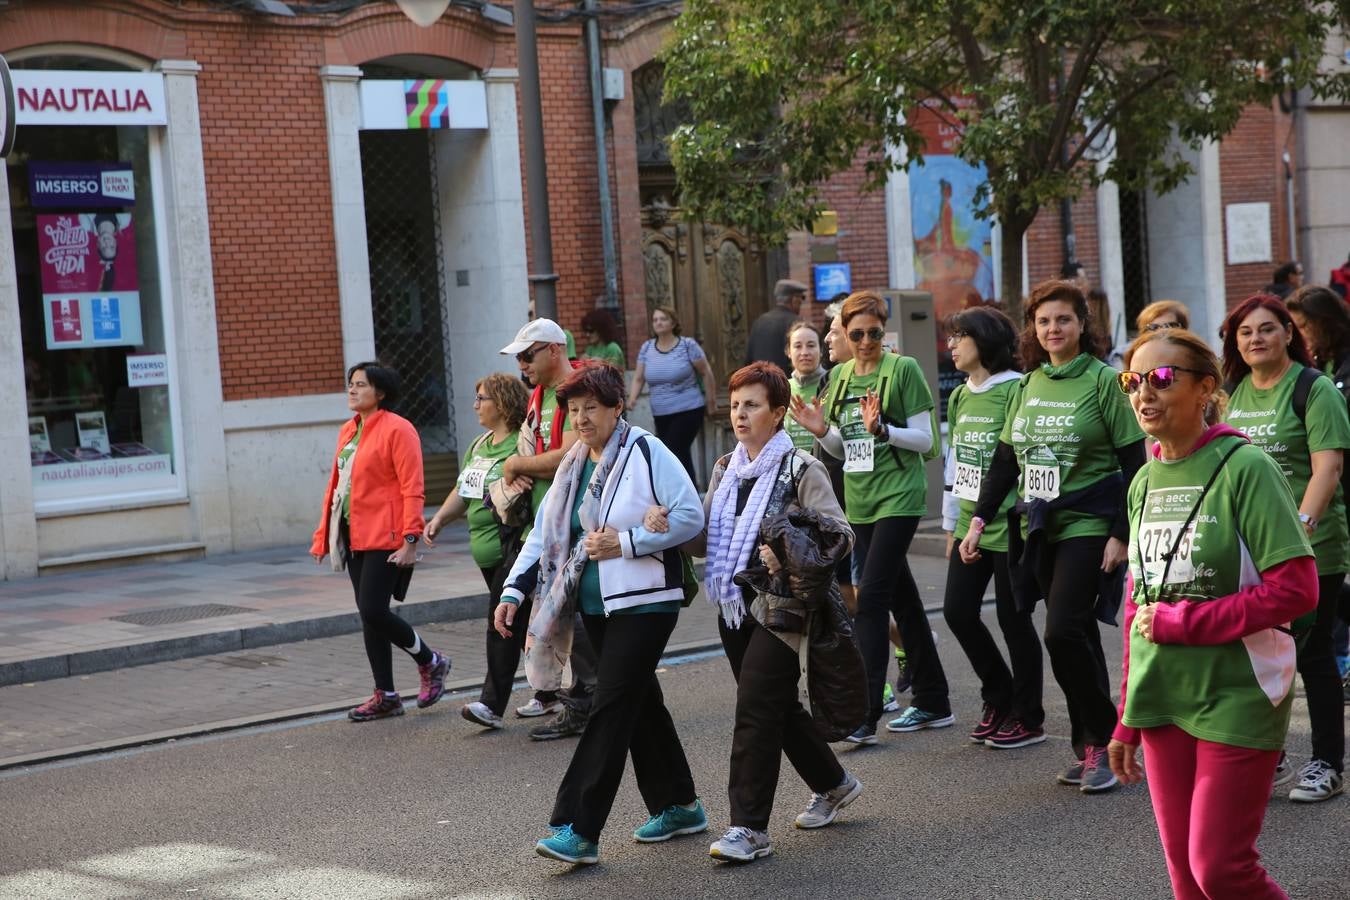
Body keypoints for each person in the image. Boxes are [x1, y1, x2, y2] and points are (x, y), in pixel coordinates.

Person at [1107, 327, 1318, 899]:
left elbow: (1296, 590)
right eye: (1133, 380)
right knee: (1185, 880)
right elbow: (1138, 606)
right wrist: (1128, 713)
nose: (1144, 393)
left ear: (1205, 388)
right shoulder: (1144, 481)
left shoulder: (1246, 467)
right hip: (1163, 696)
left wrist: (1186, 623)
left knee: (1220, 869)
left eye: (1161, 378)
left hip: (1238, 690)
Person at [492, 362, 706, 865]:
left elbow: (691, 514)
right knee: (641, 705)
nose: (582, 418)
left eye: (592, 407)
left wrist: (628, 542)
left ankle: (577, 827)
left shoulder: (647, 451)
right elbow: (545, 535)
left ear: (616, 408)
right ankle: (680, 804)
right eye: (573, 410)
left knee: (609, 706)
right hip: (595, 607)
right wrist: (513, 592)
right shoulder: (572, 465)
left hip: (647, 602)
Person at [651, 362, 861, 863]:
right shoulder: (726, 469)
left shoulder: (801, 468)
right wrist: (667, 522)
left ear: (779, 413)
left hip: (784, 606)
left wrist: (788, 548)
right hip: (733, 604)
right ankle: (834, 784)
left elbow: (840, 534)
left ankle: (748, 828)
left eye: (752, 405)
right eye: (735, 404)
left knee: (754, 709)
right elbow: (702, 539)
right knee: (774, 704)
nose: (740, 414)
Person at [961, 279, 1145, 793]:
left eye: (1063, 319)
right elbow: (1004, 463)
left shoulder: (1106, 381)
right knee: (1077, 633)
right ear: (1033, 329)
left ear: (1082, 325)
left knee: (1061, 629)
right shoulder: (1027, 384)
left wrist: (1121, 533)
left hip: (1090, 522)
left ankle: (1108, 739)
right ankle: (1092, 748)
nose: (1053, 329)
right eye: (1043, 321)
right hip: (1038, 526)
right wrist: (979, 520)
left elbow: (1136, 462)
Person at [792, 290, 950, 744]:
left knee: (873, 596)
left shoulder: (902, 370)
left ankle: (864, 712)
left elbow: (926, 441)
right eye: (855, 333)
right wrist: (822, 430)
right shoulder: (840, 376)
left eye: (873, 333)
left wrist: (885, 429)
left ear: (885, 330)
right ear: (844, 332)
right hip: (859, 498)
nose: (864, 342)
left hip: (899, 496)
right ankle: (934, 699)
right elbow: (842, 446)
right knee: (905, 601)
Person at [1221, 293, 1348, 802]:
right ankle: (1267, 757)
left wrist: (1299, 529)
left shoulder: (1314, 390)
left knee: (1312, 655)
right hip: (1248, 552)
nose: (1256, 339)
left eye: (1267, 329)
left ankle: (1326, 763)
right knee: (1255, 655)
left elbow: (1328, 469)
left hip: (1313, 548)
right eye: (1246, 332)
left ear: (1289, 334)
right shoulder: (1231, 393)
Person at [310, 362, 449, 722]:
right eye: (350, 384)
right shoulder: (348, 430)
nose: (352, 390)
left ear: (381, 393)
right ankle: (386, 694)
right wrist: (323, 537)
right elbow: (335, 488)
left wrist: (410, 539)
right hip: (354, 534)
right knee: (368, 617)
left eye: (360, 385)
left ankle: (430, 661)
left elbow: (412, 487)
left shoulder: (398, 429)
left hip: (386, 535)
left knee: (374, 610)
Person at [941, 307, 1045, 749]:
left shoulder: (1015, 390)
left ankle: (1029, 715)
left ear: (983, 339)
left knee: (1013, 620)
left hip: (1007, 525)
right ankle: (998, 695)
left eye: (959, 336)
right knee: (957, 611)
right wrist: (951, 524)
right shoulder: (960, 395)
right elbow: (956, 462)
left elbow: (1015, 461)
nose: (951, 344)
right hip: (969, 524)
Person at [499, 318, 600, 738]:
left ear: (554, 350)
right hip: (551, 521)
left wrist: (518, 464)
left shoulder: (581, 388)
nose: (522, 364)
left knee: (580, 616)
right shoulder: (537, 397)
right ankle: (577, 700)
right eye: (518, 357)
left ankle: (586, 705)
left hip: (580, 525)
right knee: (561, 613)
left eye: (528, 355)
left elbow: (567, 454)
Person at [424, 373, 537, 730]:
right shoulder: (479, 444)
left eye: (482, 398)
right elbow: (463, 491)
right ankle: (557, 692)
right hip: (486, 554)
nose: (475, 405)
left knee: (501, 623)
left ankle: (492, 704)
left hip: (514, 545)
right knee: (525, 626)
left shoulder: (521, 444)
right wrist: (440, 519)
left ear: (501, 402)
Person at [1286, 285, 1350, 689]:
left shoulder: (1335, 376)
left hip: (1336, 504)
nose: (1300, 336)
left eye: (1304, 326)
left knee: (1319, 633)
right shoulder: (1325, 369)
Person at [629, 306, 717, 481]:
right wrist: (632, 399)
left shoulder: (687, 345)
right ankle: (691, 494)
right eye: (655, 320)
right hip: (661, 413)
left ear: (673, 323)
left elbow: (706, 372)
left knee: (672, 450)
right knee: (680, 454)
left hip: (689, 409)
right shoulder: (647, 348)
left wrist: (711, 401)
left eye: (663, 319)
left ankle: (683, 496)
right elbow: (639, 378)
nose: (658, 323)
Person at [745, 279, 809, 373]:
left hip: (762, 382)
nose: (800, 304)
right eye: (800, 299)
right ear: (793, 299)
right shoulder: (797, 323)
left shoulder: (759, 321)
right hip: (786, 384)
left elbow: (749, 358)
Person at [784, 322, 826, 452]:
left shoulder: (833, 384)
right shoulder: (781, 389)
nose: (804, 352)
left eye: (811, 345)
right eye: (798, 346)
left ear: (821, 351)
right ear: (788, 351)